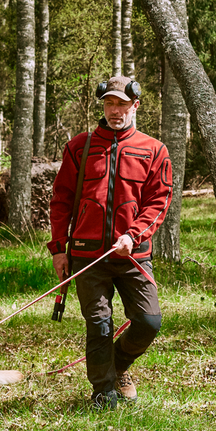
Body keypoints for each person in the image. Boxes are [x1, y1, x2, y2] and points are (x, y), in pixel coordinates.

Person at [48, 75, 173, 409]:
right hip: (87, 256)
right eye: (109, 103)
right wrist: (59, 248)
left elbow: (159, 201)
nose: (115, 110)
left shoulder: (154, 150)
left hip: (134, 255)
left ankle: (117, 366)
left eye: (122, 104)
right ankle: (103, 393)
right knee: (100, 325)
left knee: (149, 321)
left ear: (136, 105)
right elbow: (61, 199)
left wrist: (134, 236)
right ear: (103, 105)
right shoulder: (80, 146)